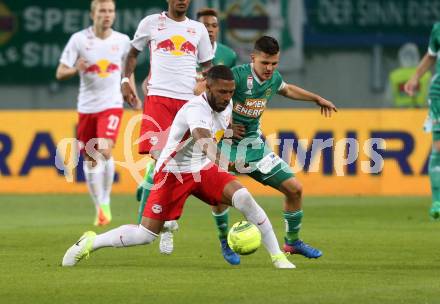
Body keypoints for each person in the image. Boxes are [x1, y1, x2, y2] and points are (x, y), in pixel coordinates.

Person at [62, 65, 295, 270]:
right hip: (173, 173)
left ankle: (278, 258)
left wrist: (233, 131)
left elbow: (221, 127)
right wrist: (226, 162)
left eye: (231, 92)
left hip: (202, 169)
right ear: (208, 89)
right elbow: (204, 140)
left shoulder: (227, 104)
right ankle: (91, 242)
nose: (227, 97)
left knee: (244, 198)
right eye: (222, 92)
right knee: (145, 235)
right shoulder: (196, 109)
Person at [156, 35, 337, 260]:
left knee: (294, 188)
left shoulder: (273, 79)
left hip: (254, 145)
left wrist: (316, 99)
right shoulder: (238, 76)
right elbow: (201, 92)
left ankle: (292, 242)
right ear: (253, 58)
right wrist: (227, 125)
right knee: (221, 195)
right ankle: (224, 242)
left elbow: (287, 89)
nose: (269, 68)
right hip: (225, 144)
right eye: (265, 63)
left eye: (274, 63)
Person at [134, 6, 240, 263]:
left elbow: (224, 93)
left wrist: (228, 122)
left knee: (204, 178)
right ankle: (167, 225)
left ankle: (223, 241)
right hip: (177, 110)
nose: (210, 29)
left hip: (202, 117)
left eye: (214, 26)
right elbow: (152, 74)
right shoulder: (176, 39)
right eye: (206, 25)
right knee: (169, 163)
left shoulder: (227, 55)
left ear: (216, 28)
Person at [122, 0, 214, 256]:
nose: (182, 0)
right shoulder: (151, 23)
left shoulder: (198, 29)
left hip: (188, 103)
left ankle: (167, 223)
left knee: (180, 164)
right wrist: (124, 81)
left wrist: (205, 85)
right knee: (160, 158)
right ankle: (166, 224)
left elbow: (208, 68)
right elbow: (132, 53)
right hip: (159, 99)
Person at [56, 0, 140, 226]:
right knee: (91, 158)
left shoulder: (122, 41)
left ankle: (105, 200)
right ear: (93, 14)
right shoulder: (79, 40)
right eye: (102, 11)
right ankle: (101, 207)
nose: (107, 15)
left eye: (111, 11)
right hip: (86, 107)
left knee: (103, 148)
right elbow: (60, 71)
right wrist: (76, 69)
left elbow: (127, 70)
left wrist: (131, 92)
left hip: (111, 104)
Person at [405, 23, 440, 219]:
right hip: (439, 93)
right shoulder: (438, 29)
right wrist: (415, 77)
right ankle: (437, 201)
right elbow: (431, 55)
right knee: (438, 147)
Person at [388, 43, 431, 107]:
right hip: (421, 114)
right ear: (417, 56)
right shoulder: (425, 74)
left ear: (401, 57)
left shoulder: (394, 76)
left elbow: (388, 100)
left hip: (399, 114)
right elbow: (431, 98)